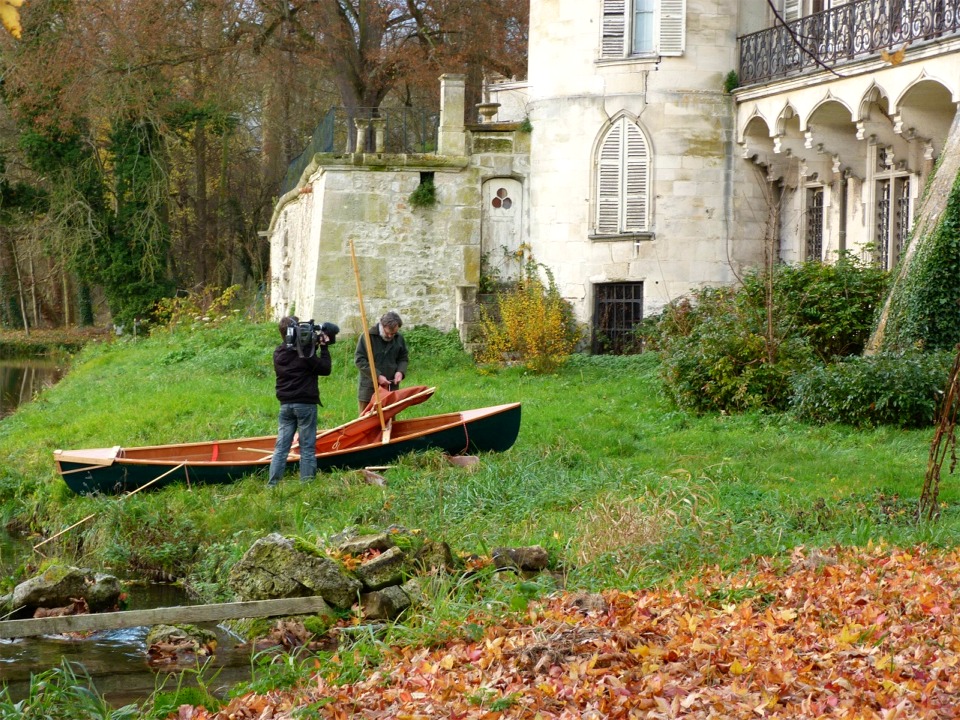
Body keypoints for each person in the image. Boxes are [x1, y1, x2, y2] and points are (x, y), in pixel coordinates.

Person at [268, 316, 332, 486]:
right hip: (305, 404)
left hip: (285, 405)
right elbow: (325, 369)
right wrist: (323, 348)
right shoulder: (305, 354)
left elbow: (296, 358)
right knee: (307, 448)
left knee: (281, 447)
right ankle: (307, 484)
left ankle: (272, 483)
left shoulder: (278, 352)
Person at [355, 311, 409, 414]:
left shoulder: (399, 338)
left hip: (390, 387)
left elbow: (403, 358)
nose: (390, 336)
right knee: (366, 420)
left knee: (389, 419)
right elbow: (359, 360)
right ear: (382, 325)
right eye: (388, 332)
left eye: (393, 333)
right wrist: (377, 376)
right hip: (369, 386)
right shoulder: (367, 336)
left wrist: (400, 372)